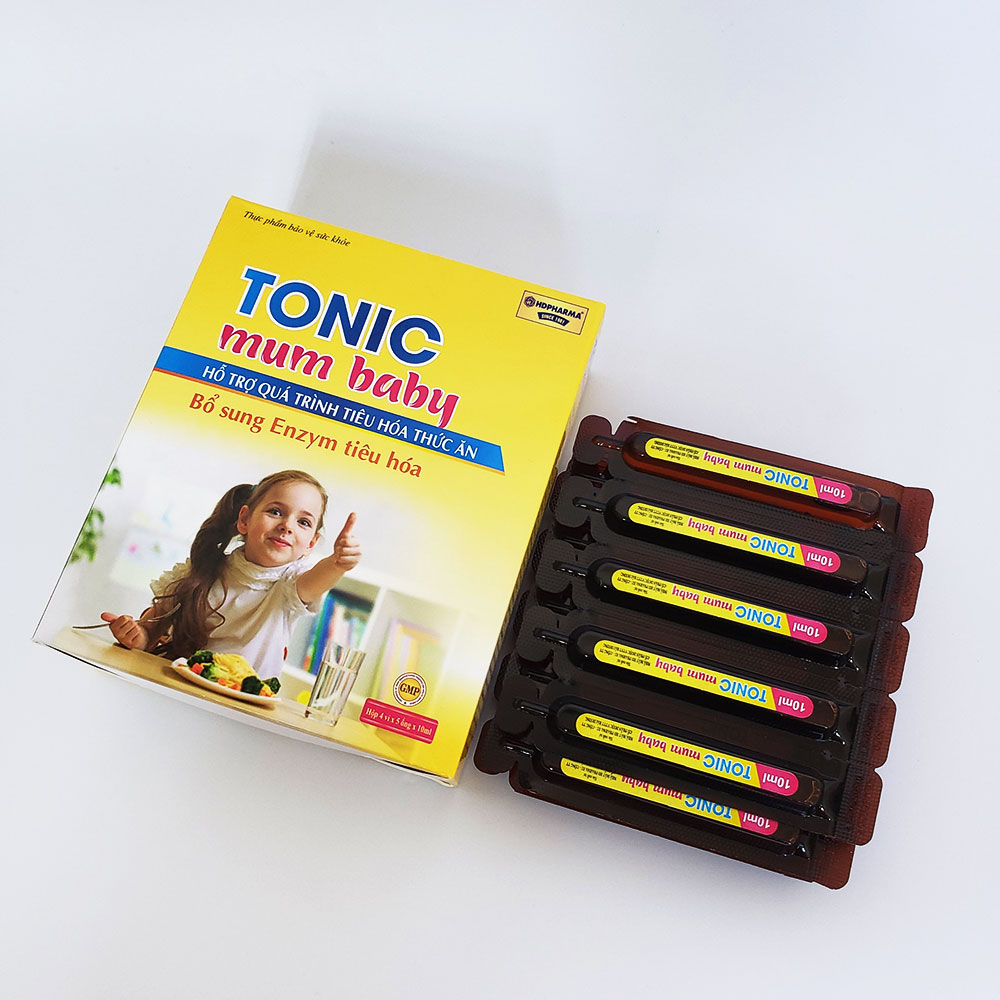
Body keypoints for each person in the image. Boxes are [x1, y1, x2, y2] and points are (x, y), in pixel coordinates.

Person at [100, 470, 361, 678]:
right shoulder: (201, 569)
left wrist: (337, 564)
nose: (287, 526)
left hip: (242, 708)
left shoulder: (290, 585)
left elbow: (315, 582)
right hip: (177, 688)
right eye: (275, 512)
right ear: (244, 519)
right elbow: (148, 633)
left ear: (311, 544)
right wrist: (135, 636)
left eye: (303, 522)